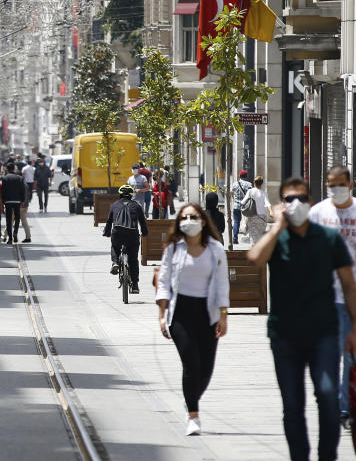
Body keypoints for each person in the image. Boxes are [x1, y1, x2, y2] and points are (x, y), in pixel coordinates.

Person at [248, 176, 356, 461]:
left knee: (327, 399)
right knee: (292, 406)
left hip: (324, 333)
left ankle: (328, 460)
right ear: (282, 203)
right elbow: (255, 258)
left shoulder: (327, 238)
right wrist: (277, 227)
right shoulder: (277, 238)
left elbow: (350, 285)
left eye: (300, 197)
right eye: (288, 198)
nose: (294, 203)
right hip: (284, 336)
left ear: (309, 203)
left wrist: (355, 329)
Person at [308, 165, 356, 426]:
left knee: (352, 353)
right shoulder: (318, 213)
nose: (335, 189)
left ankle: (346, 409)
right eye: (331, 184)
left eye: (341, 183)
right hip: (325, 296)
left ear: (351, 185)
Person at [156, 203, 228, 435]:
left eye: (194, 217)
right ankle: (193, 416)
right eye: (184, 217)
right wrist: (161, 314)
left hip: (207, 313)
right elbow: (164, 279)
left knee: (206, 369)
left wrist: (224, 315)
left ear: (204, 221)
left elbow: (222, 283)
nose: (189, 221)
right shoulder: (173, 249)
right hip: (180, 314)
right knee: (191, 363)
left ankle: (190, 397)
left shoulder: (215, 249)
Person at [103, 185, 149, 293]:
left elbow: (109, 221)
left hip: (117, 233)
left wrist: (106, 233)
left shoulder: (114, 205)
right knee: (133, 260)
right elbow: (142, 222)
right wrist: (145, 233)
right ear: (131, 195)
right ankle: (135, 286)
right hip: (132, 234)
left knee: (115, 246)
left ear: (120, 194)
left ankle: (115, 262)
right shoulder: (136, 206)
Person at [241, 176, 271, 244]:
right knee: (261, 237)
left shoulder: (250, 191)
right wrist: (271, 211)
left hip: (253, 216)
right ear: (262, 183)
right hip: (262, 218)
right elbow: (267, 203)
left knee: (253, 237)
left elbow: (243, 202)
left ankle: (254, 251)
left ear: (254, 183)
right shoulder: (264, 193)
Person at [1, 164, 26, 244]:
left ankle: (10, 238)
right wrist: (22, 201)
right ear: (14, 169)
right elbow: (23, 190)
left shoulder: (5, 178)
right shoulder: (20, 178)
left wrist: (3, 202)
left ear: (7, 169)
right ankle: (15, 233)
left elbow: (3, 191)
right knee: (17, 218)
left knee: (8, 220)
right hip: (17, 201)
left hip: (8, 201)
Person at [232, 170, 253, 244]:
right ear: (246, 176)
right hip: (246, 206)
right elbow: (251, 195)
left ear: (239, 176)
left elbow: (232, 193)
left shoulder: (235, 184)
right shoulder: (249, 184)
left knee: (236, 221)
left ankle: (235, 237)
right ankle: (249, 237)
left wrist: (235, 200)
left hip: (236, 205)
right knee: (249, 221)